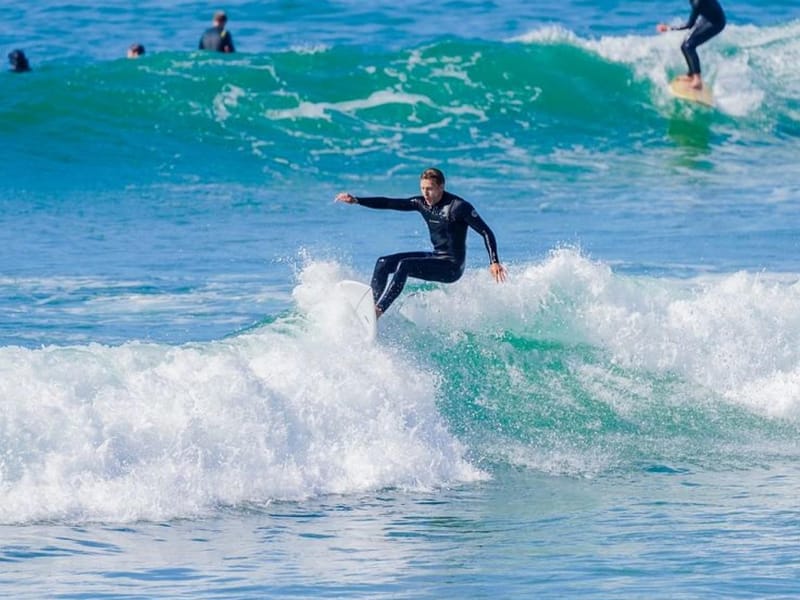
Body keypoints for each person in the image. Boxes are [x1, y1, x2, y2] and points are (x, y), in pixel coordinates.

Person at [335, 168, 507, 318]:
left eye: (430, 189)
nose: (425, 193)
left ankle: (378, 310)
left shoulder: (459, 207)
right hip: (436, 257)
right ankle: (368, 307)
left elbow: (486, 231)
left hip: (451, 267)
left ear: (441, 187)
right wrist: (357, 200)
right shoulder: (421, 203)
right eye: (423, 188)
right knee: (383, 263)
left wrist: (494, 262)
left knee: (405, 265)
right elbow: (388, 202)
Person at [657, 0, 726, 90]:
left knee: (689, 46)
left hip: (716, 23)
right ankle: (691, 75)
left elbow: (689, 25)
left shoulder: (698, 2)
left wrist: (669, 28)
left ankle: (697, 80)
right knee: (684, 46)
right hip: (707, 17)